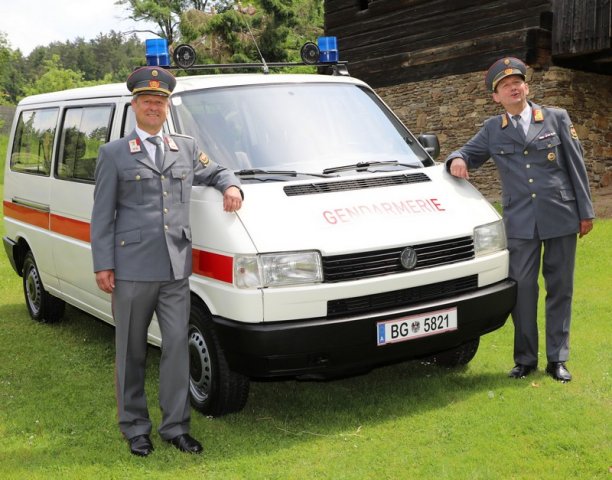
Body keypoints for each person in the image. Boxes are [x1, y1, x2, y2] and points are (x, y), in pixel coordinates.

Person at [90, 66, 243, 456]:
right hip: (132, 270)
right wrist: (103, 264)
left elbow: (217, 169)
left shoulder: (186, 148)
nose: (154, 107)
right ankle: (134, 427)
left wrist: (231, 185)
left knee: (176, 347)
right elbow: (102, 214)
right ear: (134, 106)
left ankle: (175, 426)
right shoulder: (114, 154)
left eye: (160, 101)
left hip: (176, 269)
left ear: (167, 106)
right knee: (131, 350)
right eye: (147, 101)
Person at [446, 57, 594, 383]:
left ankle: (558, 359)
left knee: (560, 288)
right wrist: (456, 160)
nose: (513, 87)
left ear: (526, 86)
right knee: (523, 289)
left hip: (560, 215)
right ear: (495, 96)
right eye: (504, 85)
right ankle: (525, 359)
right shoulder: (491, 130)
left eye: (517, 81)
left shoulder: (555, 118)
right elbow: (464, 154)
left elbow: (576, 168)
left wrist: (586, 212)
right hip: (521, 224)